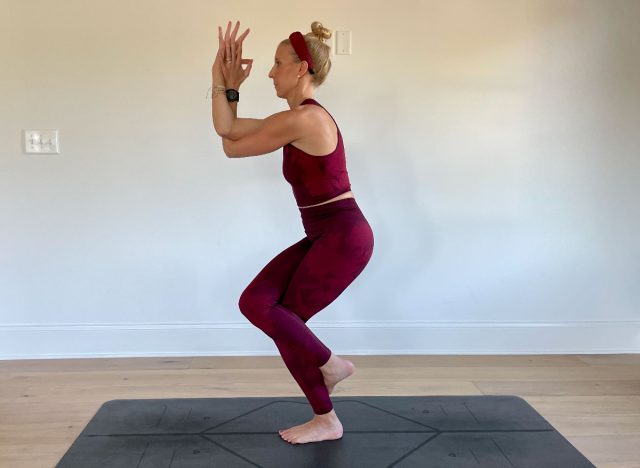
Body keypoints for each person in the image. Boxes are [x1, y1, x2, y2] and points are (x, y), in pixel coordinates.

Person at [211, 20, 374, 444]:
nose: (270, 72)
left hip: (343, 237)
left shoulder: (305, 120)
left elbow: (229, 139)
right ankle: (327, 397)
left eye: (278, 63)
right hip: (325, 235)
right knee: (258, 303)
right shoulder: (294, 118)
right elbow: (229, 135)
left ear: (301, 68)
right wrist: (223, 84)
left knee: (282, 318)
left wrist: (223, 84)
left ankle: (327, 406)